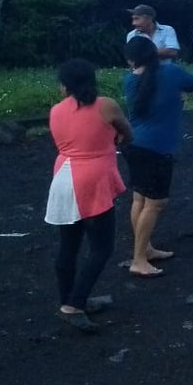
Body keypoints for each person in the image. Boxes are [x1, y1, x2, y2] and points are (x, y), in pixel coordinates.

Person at [45, 59, 133, 334]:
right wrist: (115, 138)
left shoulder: (56, 110)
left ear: (65, 85)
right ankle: (74, 304)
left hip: (63, 178)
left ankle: (68, 299)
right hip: (93, 181)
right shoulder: (106, 105)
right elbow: (126, 131)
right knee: (101, 247)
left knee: (69, 245)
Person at [123, 36, 193, 277]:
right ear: (155, 53)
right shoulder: (171, 73)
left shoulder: (129, 80)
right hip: (156, 148)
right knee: (156, 203)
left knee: (139, 199)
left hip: (133, 145)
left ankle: (145, 249)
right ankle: (138, 259)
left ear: (131, 59)